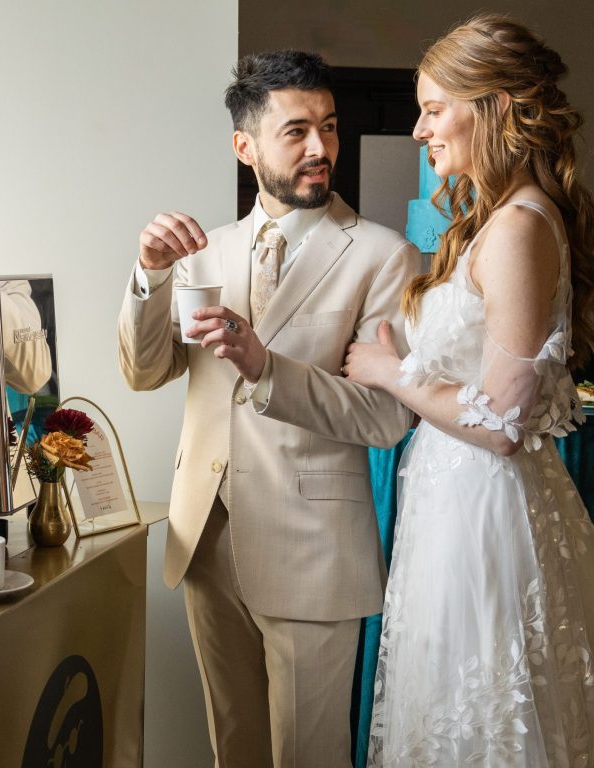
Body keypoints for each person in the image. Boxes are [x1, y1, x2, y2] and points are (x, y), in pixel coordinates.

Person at [118, 50, 421, 767]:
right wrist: (148, 275)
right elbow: (145, 371)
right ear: (244, 146)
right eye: (297, 131)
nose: (321, 148)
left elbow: (385, 418)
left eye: (330, 127)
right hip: (205, 542)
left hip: (313, 552)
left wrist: (267, 368)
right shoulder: (201, 254)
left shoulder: (386, 257)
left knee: (308, 758)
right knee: (236, 752)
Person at [343, 14, 594, 765]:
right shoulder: (492, 222)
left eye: (433, 108)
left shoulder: (520, 227)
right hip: (450, 505)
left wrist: (392, 372)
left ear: (494, 107)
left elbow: (500, 423)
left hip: (489, 515)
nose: (420, 130)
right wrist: (403, 350)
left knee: (484, 722)